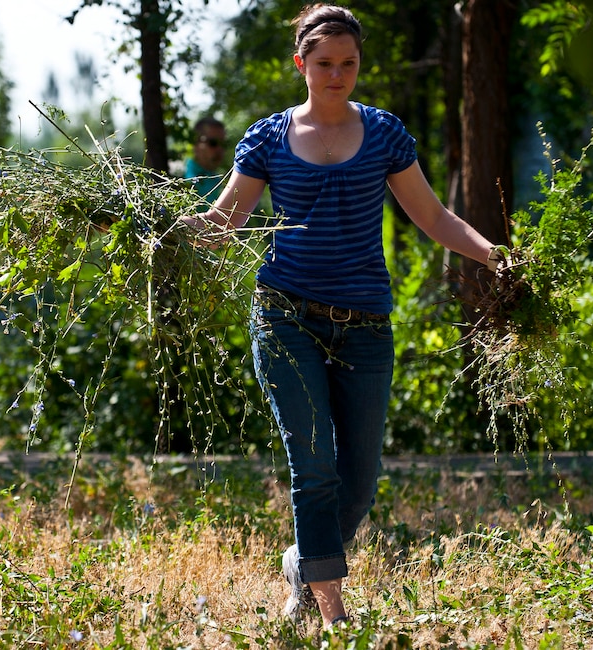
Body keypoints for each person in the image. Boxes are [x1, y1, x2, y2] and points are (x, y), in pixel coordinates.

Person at [183, 3, 504, 630]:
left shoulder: (384, 133)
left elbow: (434, 218)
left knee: (358, 479)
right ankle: (331, 615)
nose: (337, 75)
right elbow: (225, 221)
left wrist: (497, 257)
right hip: (285, 317)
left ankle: (304, 562)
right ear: (301, 64)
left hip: (364, 325)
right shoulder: (269, 138)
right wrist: (166, 230)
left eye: (349, 63)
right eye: (324, 63)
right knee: (313, 466)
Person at [184, 116, 227, 204]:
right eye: (213, 143)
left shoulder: (220, 182)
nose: (219, 149)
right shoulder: (178, 176)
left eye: (223, 143)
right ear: (195, 143)